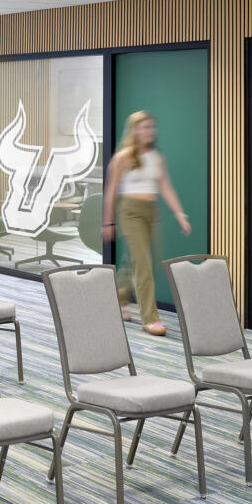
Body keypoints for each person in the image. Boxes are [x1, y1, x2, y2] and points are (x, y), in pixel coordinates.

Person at [102, 111, 191, 337]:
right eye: (143, 127)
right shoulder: (123, 157)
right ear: (133, 130)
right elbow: (111, 190)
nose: (148, 131)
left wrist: (179, 213)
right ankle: (150, 319)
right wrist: (108, 221)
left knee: (142, 261)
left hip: (151, 211)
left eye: (151, 127)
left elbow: (165, 186)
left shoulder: (156, 157)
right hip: (130, 211)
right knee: (142, 264)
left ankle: (121, 296)